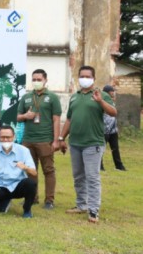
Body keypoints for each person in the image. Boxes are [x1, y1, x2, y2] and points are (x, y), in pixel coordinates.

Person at [60, 66, 116, 223]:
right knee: (78, 176)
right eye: (82, 76)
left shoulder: (101, 94)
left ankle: (93, 209)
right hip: (75, 143)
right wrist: (61, 138)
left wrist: (101, 102)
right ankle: (81, 205)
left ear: (93, 78)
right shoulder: (74, 97)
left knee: (92, 177)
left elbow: (113, 112)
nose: (84, 79)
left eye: (87, 76)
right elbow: (69, 120)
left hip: (93, 143)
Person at [16, 69, 62, 209]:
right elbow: (17, 117)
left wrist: (56, 140)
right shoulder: (26, 97)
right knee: (30, 170)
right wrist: (25, 116)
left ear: (45, 80)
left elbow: (56, 120)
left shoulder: (52, 97)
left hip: (45, 140)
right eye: (34, 79)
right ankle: (32, 197)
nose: (36, 82)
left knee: (48, 170)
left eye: (39, 79)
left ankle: (49, 200)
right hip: (28, 140)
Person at [0, 125, 38, 218]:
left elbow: (34, 173)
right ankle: (3, 205)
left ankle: (27, 209)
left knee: (31, 183)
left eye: (8, 137)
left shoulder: (24, 150)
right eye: (2, 137)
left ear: (14, 137)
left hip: (17, 185)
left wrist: (25, 167)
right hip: (0, 185)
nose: (5, 140)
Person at [101, 85, 126, 171]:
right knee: (101, 148)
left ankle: (119, 165)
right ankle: (100, 166)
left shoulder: (112, 101)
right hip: (104, 129)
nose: (113, 93)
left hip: (113, 129)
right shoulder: (102, 102)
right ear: (107, 92)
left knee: (115, 148)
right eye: (111, 92)